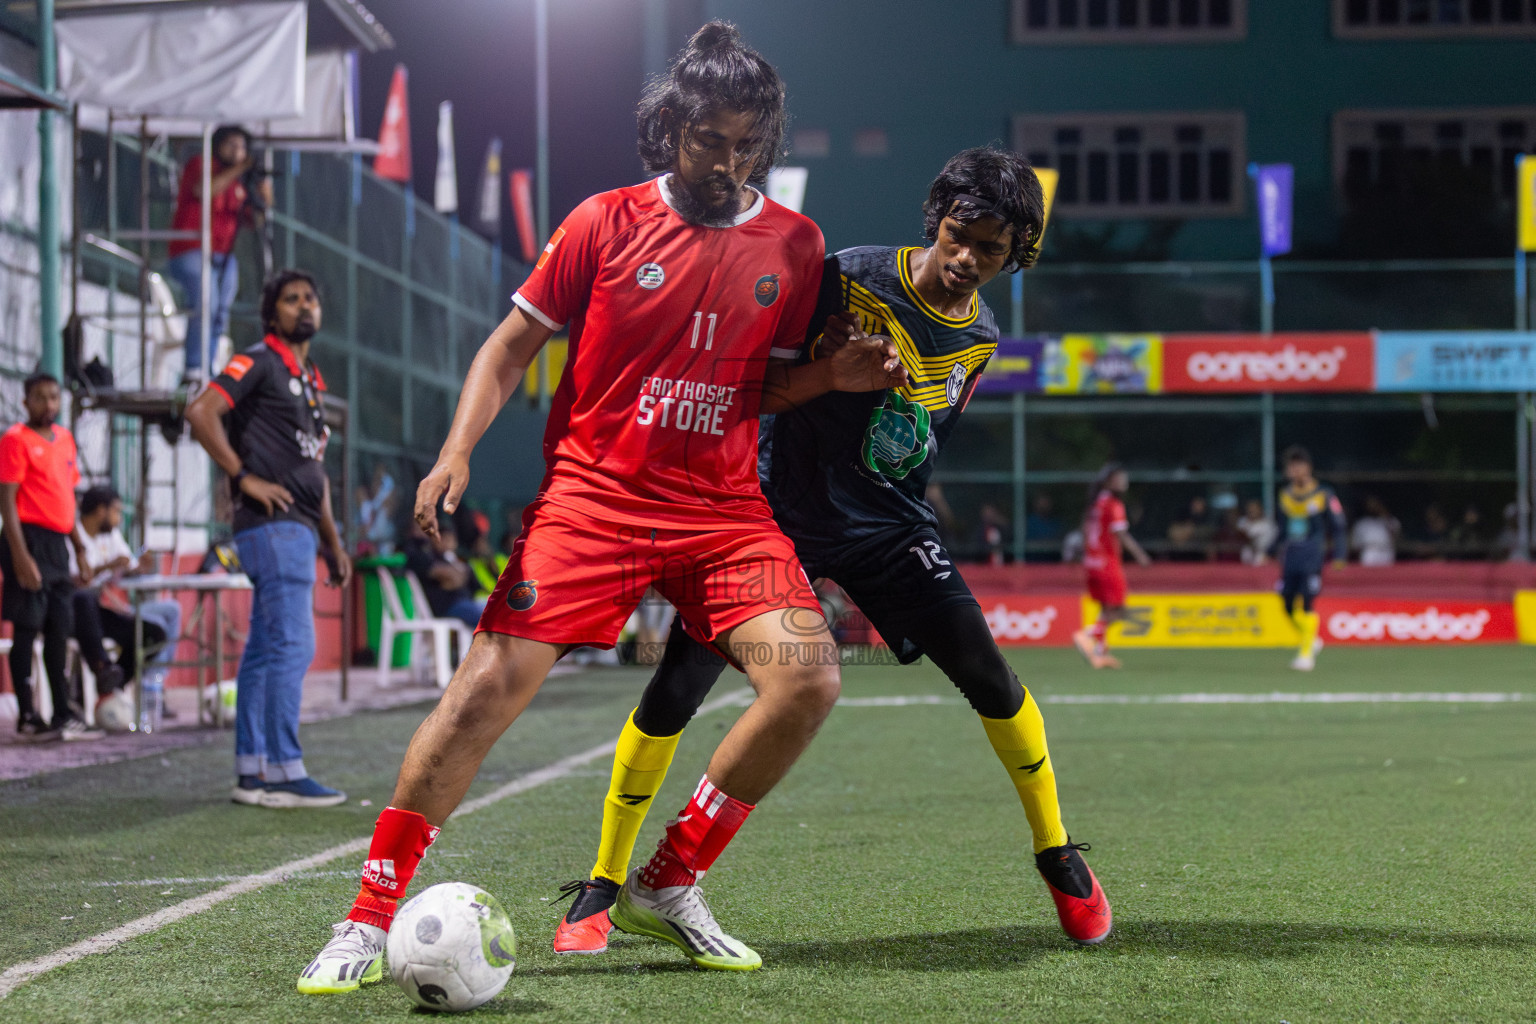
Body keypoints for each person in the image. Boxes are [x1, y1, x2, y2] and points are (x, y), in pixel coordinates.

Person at [297, 22, 907, 992]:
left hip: (722, 510)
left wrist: (832, 375)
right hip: (596, 497)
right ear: (670, 127)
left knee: (809, 678)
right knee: (484, 691)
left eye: (749, 142)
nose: (729, 159)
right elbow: (508, 348)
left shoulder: (795, 245)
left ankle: (667, 881)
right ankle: (368, 919)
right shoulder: (602, 222)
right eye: (711, 137)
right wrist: (454, 452)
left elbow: (763, 387)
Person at [553, 147, 1114, 959]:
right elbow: (749, 362)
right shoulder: (840, 274)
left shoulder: (983, 332)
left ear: (1014, 257)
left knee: (993, 678)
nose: (968, 259)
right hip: (773, 512)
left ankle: (1058, 854)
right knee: (678, 680)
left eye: (992, 250)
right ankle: (605, 882)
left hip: (889, 526)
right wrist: (822, 363)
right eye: (961, 235)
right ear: (938, 219)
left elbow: (915, 439)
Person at [186, 269, 352, 807]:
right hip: (272, 527)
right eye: (291, 299)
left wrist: (333, 540)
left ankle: (252, 771)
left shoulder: (309, 381)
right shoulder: (258, 360)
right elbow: (201, 411)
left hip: (299, 530)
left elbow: (314, 472)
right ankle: (283, 769)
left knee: (264, 649)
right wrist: (242, 476)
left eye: (311, 297)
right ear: (271, 312)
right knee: (293, 644)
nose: (304, 305)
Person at [0, 373, 96, 741]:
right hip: (26, 539)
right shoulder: (15, 440)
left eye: (54, 397)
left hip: (58, 543)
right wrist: (21, 555)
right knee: (28, 626)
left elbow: (66, 500)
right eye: (40, 398)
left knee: (59, 628)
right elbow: (7, 503)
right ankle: (27, 713)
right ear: (26, 402)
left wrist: (81, 547)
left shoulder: (66, 440)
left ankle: (61, 713)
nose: (48, 404)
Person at [70, 485, 184, 730]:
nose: (119, 518)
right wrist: (107, 566)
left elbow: (129, 564)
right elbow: (74, 580)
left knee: (153, 634)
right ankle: (102, 667)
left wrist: (139, 566)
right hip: (70, 613)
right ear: (101, 510)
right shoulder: (73, 533)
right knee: (85, 599)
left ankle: (111, 687)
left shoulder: (110, 535)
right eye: (117, 512)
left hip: (97, 613)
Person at [166, 125, 271, 379]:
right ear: (218, 146)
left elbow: (252, 221)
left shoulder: (239, 184)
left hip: (224, 256)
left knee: (220, 311)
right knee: (206, 303)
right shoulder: (201, 165)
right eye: (232, 145)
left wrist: (264, 198)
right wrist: (241, 168)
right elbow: (204, 191)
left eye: (242, 147)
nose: (238, 152)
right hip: (190, 249)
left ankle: (209, 365)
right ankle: (194, 368)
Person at [1264, 446, 1346, 672]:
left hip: (1312, 556)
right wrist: (1268, 550)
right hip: (1290, 558)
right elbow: (1281, 529)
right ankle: (1310, 638)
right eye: (1291, 466)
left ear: (1308, 468)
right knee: (1287, 604)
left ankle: (1306, 653)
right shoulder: (1285, 495)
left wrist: (1340, 554)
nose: (1294, 470)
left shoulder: (1323, 494)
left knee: (1308, 601)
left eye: (1298, 465)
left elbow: (1338, 526)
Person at [1070, 463, 1151, 671]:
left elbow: (1085, 531)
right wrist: (1140, 555)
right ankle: (1088, 635)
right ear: (1109, 481)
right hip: (1107, 563)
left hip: (1091, 562)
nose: (1124, 481)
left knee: (1106, 608)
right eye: (1120, 477)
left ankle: (1100, 652)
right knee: (1119, 609)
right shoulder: (1113, 505)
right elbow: (1121, 534)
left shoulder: (1095, 503)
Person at [403, 517, 483, 628]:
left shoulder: (451, 557)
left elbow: (464, 580)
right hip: (446, 606)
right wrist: (454, 576)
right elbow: (449, 578)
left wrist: (455, 577)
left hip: (464, 601)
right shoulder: (416, 553)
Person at [1350, 495, 1399, 567]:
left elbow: (1397, 535)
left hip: (1386, 551)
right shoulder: (1361, 523)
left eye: (1375, 505)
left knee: (1387, 576)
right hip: (1369, 552)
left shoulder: (1389, 520)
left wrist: (1384, 514)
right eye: (1370, 505)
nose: (1373, 507)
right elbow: (1355, 545)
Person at [1237, 497, 1277, 566]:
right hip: (1244, 558)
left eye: (1254, 509)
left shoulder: (1267, 524)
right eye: (1250, 509)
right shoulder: (1242, 522)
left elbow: (1274, 544)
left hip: (1262, 557)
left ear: (1260, 509)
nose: (1252, 511)